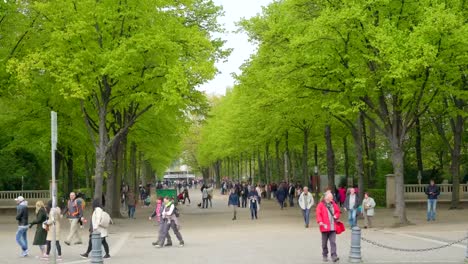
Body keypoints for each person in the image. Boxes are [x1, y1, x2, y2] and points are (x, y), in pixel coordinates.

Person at [316, 192, 341, 263]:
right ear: (326, 197)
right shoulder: (320, 205)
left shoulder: (334, 204)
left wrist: (336, 215)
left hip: (333, 227)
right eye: (330, 197)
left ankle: (334, 256)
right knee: (324, 243)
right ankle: (325, 255)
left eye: (332, 197)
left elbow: (338, 212)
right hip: (324, 227)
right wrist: (320, 221)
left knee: (333, 242)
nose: (332, 198)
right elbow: (318, 214)